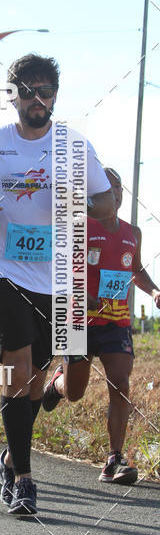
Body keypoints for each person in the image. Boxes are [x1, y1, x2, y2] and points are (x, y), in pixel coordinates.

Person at [0, 54, 113, 515]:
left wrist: (78, 203)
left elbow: (106, 202)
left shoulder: (74, 145)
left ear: (55, 96)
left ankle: (10, 457)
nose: (37, 99)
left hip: (55, 277)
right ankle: (25, 480)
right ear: (13, 97)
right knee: (18, 367)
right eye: (28, 91)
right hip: (1, 269)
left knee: (37, 379)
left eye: (45, 91)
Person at [42, 167, 160, 484]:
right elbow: (57, 268)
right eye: (107, 189)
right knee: (75, 393)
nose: (115, 194)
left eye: (118, 189)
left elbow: (137, 270)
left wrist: (154, 291)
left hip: (115, 320)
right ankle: (56, 384)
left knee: (120, 383)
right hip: (76, 320)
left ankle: (115, 459)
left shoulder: (132, 232)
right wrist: (81, 294)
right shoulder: (79, 226)